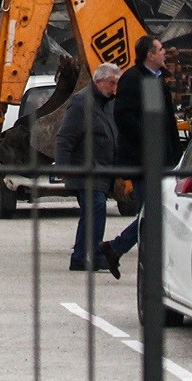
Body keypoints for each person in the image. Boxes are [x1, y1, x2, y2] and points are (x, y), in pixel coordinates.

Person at [107, 35, 182, 262]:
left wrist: (174, 154)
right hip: (141, 159)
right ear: (150, 55)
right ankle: (120, 249)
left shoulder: (156, 79)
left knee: (154, 211)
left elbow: (162, 121)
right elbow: (124, 116)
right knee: (151, 212)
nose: (164, 53)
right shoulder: (132, 79)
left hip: (161, 159)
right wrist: (148, 139)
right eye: (160, 49)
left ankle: (116, 249)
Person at [56, 62, 123, 277]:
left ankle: (80, 257)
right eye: (111, 83)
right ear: (99, 81)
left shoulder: (107, 103)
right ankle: (92, 255)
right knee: (96, 208)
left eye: (116, 84)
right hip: (85, 169)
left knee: (91, 212)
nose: (114, 89)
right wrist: (63, 166)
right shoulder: (82, 102)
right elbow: (65, 137)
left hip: (103, 170)